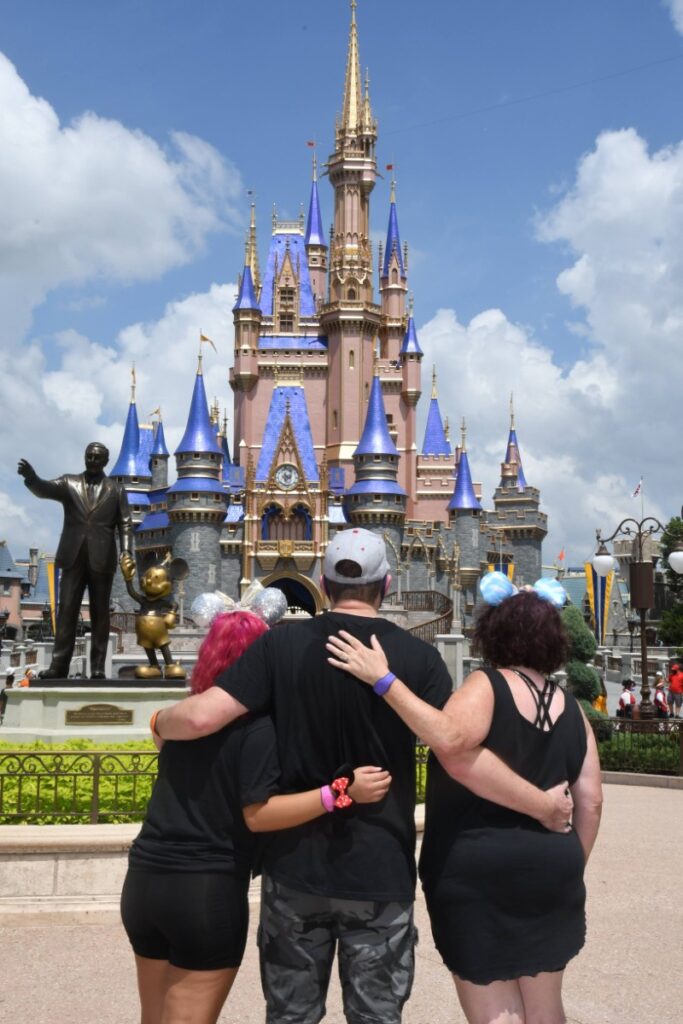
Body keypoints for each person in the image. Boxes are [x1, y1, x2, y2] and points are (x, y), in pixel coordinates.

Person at [151, 531, 573, 1024]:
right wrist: (542, 806)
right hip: (379, 873)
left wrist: (158, 722)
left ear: (323, 584)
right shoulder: (420, 659)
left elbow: (203, 718)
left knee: (291, 1016)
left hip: (294, 871)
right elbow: (459, 752)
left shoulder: (281, 645)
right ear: (388, 585)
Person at [326, 571, 603, 1024]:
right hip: (554, 865)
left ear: (493, 633)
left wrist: (383, 680)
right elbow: (591, 801)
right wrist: (569, 862)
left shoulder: (487, 686)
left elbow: (450, 741)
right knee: (545, 1007)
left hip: (478, 868)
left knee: (494, 1010)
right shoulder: (572, 707)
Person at [121, 599, 391, 1024]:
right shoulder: (258, 730)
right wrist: (339, 793)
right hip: (204, 889)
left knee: (153, 1017)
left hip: (144, 883)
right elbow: (258, 815)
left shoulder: (181, 722)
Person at [18, 443, 133, 679]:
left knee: (101, 614)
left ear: (105, 461)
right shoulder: (69, 483)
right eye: (88, 455)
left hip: (102, 558)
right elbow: (44, 489)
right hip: (72, 557)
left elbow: (126, 524)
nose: (91, 459)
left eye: (96, 457)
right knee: (67, 611)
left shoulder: (116, 490)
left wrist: (127, 551)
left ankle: (98, 667)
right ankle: (58, 665)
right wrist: (31, 478)